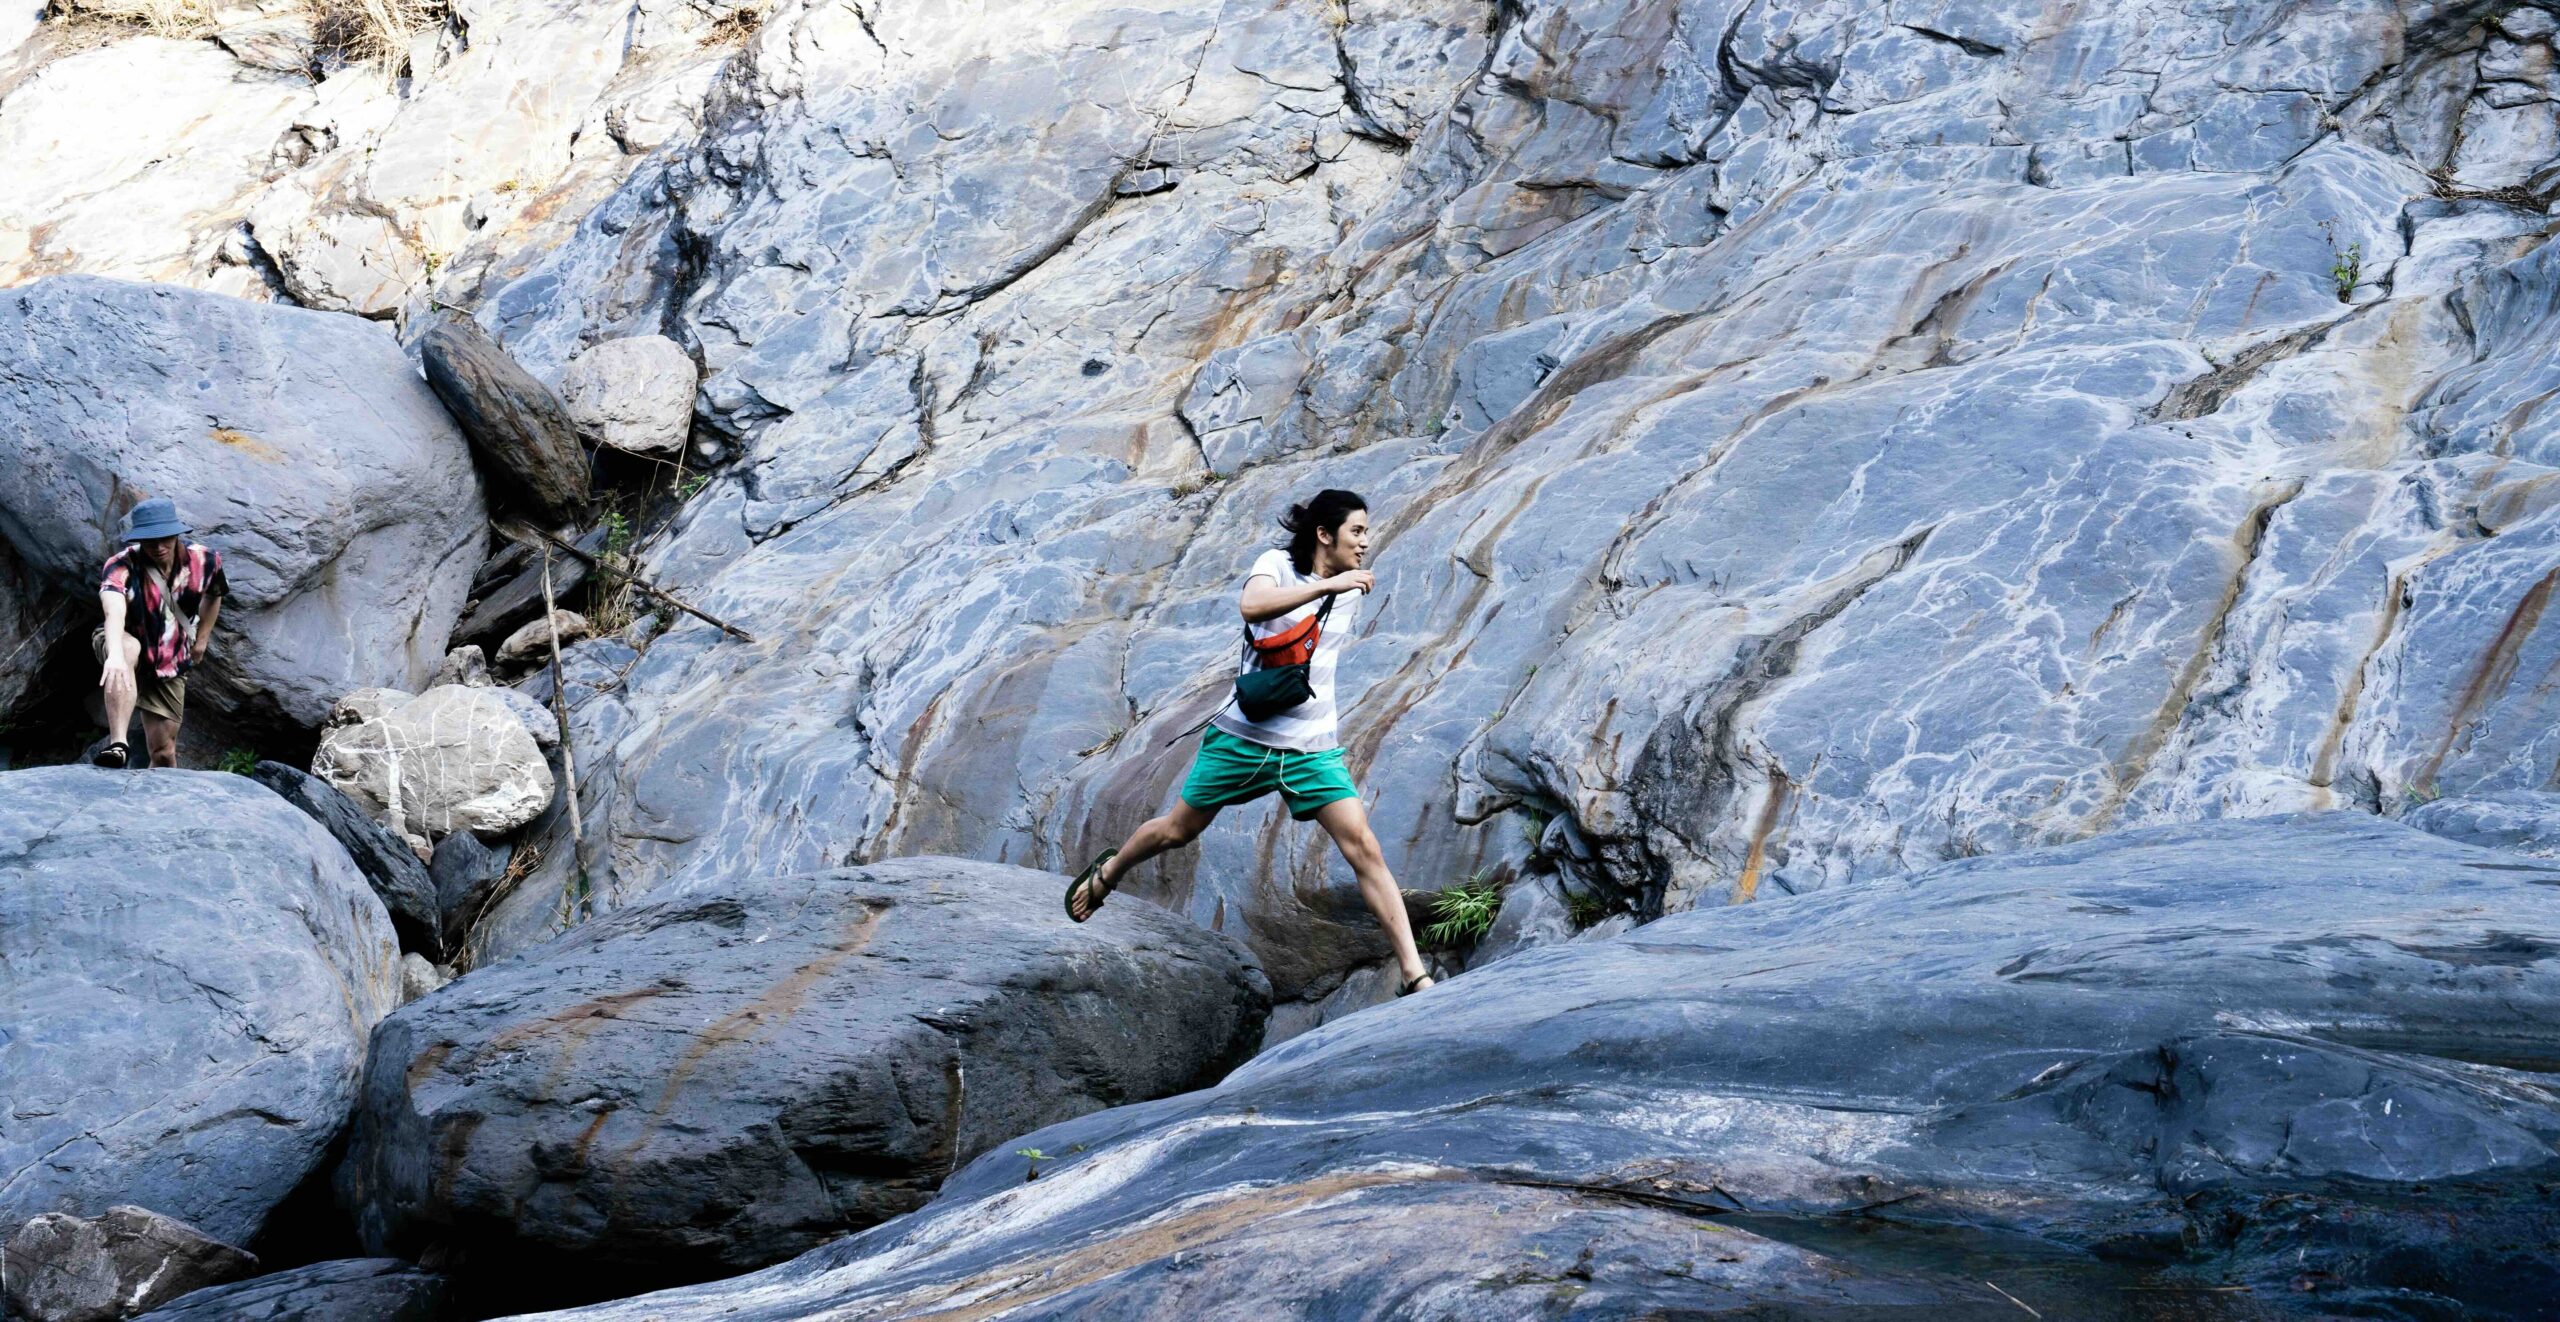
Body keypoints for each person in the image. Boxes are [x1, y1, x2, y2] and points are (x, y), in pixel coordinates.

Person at [1065, 488, 1437, 995]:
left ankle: (1414, 975)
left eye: (1366, 532)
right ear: (1324, 535)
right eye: (1356, 531)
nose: (1365, 542)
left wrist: (1338, 584)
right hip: (1242, 737)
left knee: (1364, 848)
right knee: (1177, 831)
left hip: (1309, 748)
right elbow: (1252, 606)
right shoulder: (1276, 565)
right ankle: (1109, 872)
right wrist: (1328, 586)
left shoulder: (1350, 587)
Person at [92, 498, 227, 770]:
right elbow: (113, 612)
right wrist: (114, 655)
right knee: (128, 650)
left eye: (164, 538)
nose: (158, 546)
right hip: (122, 640)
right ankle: (118, 745)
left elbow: (215, 595)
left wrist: (201, 640)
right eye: (150, 540)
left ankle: (161, 795)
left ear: (176, 533)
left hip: (169, 656)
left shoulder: (205, 560)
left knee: (164, 752)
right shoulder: (121, 565)